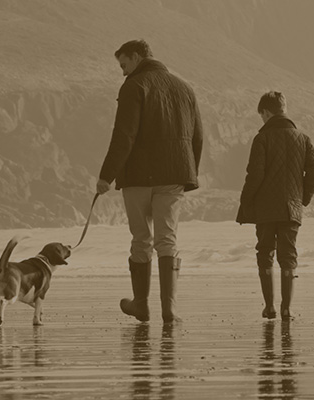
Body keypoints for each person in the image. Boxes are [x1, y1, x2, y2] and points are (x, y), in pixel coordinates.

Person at [97, 39, 204, 323]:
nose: (122, 72)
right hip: (173, 175)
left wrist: (106, 175)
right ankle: (169, 309)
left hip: (137, 176)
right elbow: (198, 137)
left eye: (123, 64)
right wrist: (188, 173)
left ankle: (142, 305)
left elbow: (124, 136)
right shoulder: (185, 88)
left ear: (136, 57)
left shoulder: (133, 86)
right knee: (167, 239)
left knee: (141, 239)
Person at [237, 91, 314, 320]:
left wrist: (246, 202)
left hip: (265, 208)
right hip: (291, 208)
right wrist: (302, 199)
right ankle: (287, 308)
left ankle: (269, 306)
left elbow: (255, 174)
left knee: (265, 253)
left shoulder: (262, 138)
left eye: (261, 116)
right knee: (288, 255)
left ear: (265, 112)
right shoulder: (303, 138)